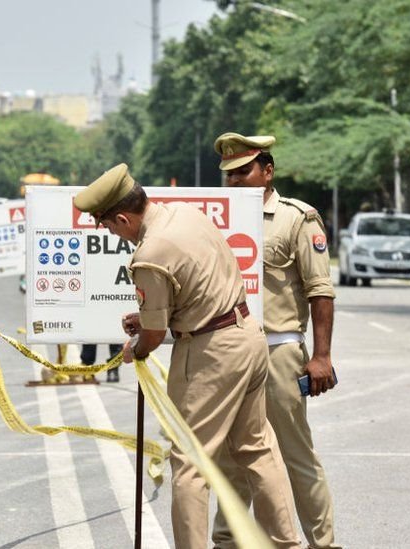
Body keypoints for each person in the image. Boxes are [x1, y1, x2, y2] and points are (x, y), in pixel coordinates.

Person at [74, 164, 301, 549]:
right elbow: (196, 287)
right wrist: (151, 318)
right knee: (257, 449)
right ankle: (286, 543)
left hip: (211, 353)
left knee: (191, 463)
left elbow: (153, 336)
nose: (113, 234)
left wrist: (136, 349)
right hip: (247, 334)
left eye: (109, 226)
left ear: (123, 218)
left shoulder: (149, 254)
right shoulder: (185, 214)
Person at [211, 133, 341, 549]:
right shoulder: (215, 220)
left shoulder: (296, 218)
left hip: (277, 350)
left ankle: (323, 543)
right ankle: (227, 541)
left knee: (295, 454)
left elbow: (320, 289)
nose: (234, 181)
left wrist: (321, 356)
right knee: (233, 457)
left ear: (267, 172)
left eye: (243, 171)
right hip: (229, 353)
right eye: (229, 174)